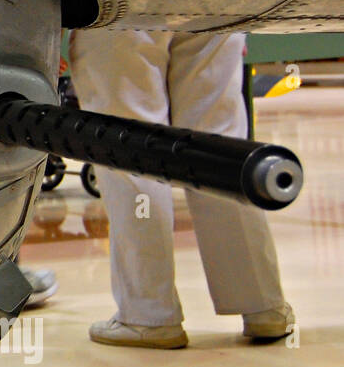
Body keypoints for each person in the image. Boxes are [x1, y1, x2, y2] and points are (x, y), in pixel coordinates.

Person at [67, 30, 294, 347]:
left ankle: (148, 315)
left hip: (121, 1)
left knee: (131, 151)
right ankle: (263, 305)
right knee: (220, 146)